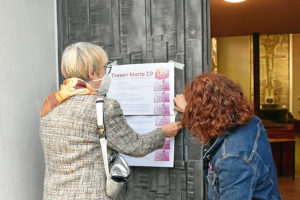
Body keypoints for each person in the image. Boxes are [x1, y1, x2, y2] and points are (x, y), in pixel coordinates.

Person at [39, 42, 182, 199]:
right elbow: (136, 146)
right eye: (105, 69)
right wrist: (163, 132)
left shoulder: (50, 107)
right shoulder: (103, 107)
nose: (107, 74)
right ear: (92, 73)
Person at [173, 73, 281, 200]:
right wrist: (190, 110)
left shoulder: (232, 158)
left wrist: (192, 113)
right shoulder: (251, 121)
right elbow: (214, 119)